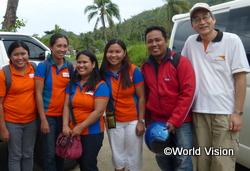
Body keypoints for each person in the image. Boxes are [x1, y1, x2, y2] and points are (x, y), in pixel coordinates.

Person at [181, 3, 250, 171]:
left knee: (222, 163)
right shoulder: (190, 42)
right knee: (202, 163)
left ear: (213, 19)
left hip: (225, 114)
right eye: (196, 19)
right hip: (199, 113)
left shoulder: (232, 40)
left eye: (205, 17)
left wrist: (237, 113)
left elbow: (240, 78)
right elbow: (181, 70)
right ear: (192, 25)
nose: (202, 22)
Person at [141, 25, 195, 171]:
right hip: (157, 121)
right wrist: (147, 121)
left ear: (165, 40)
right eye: (150, 41)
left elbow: (188, 94)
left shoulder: (181, 62)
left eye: (157, 40)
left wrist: (174, 121)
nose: (154, 44)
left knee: (183, 159)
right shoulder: (145, 66)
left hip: (182, 122)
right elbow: (145, 95)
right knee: (162, 157)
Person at [100, 38, 145, 171]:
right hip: (111, 117)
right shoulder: (101, 72)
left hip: (133, 119)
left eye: (118, 51)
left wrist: (141, 121)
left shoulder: (133, 70)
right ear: (105, 53)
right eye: (110, 52)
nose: (114, 55)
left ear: (124, 53)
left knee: (134, 154)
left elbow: (142, 97)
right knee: (117, 154)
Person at [62, 50, 109, 171]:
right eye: (78, 62)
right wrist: (65, 126)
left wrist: (81, 127)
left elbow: (98, 111)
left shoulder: (100, 85)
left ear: (93, 64)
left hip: (92, 132)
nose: (81, 65)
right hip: (73, 130)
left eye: (85, 62)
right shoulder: (72, 83)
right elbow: (67, 105)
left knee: (88, 165)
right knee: (80, 162)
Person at [34, 33, 74, 171]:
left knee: (61, 150)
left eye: (65, 46)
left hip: (63, 116)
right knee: (49, 153)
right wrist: (43, 119)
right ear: (51, 47)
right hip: (48, 116)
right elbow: (38, 94)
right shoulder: (43, 67)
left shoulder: (69, 66)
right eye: (59, 46)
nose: (62, 49)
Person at [0, 41, 37, 171]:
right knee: (15, 155)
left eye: (23, 53)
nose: (20, 57)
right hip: (12, 122)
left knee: (28, 154)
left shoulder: (34, 68)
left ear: (28, 54)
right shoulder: (4, 73)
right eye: (16, 54)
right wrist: (3, 129)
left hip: (31, 121)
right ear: (10, 56)